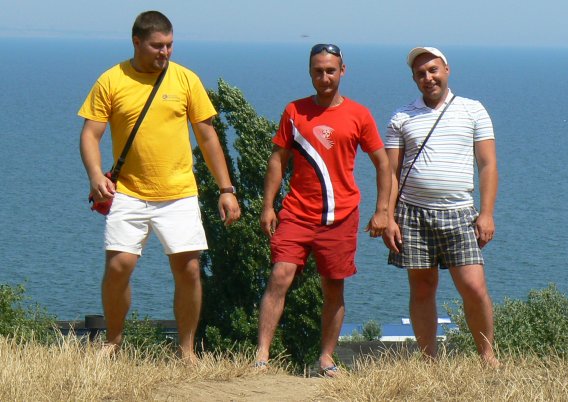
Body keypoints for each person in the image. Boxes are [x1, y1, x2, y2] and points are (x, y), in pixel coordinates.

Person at [78, 11, 240, 362]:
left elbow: (207, 137)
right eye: (157, 46)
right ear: (136, 42)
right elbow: (90, 134)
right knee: (118, 267)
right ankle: (113, 342)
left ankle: (186, 351)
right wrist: (95, 175)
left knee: (189, 270)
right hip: (128, 192)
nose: (164, 52)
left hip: (179, 193)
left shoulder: (186, 79)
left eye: (169, 45)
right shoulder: (111, 80)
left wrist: (226, 189)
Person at [255, 44, 391, 375]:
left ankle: (326, 358)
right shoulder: (294, 111)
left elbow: (383, 163)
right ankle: (261, 355)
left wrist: (383, 210)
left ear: (342, 71)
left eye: (331, 70)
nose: (325, 77)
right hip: (297, 213)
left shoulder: (359, 114)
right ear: (310, 72)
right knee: (280, 276)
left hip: (340, 216)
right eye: (318, 71)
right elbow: (278, 160)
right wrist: (268, 205)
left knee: (333, 286)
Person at [382, 47, 500, 366]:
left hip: (460, 212)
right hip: (412, 213)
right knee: (422, 289)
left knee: (474, 287)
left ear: (447, 70)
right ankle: (429, 362)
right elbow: (391, 173)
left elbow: (487, 165)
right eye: (420, 73)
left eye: (433, 70)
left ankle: (488, 357)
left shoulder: (473, 110)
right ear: (414, 79)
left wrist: (486, 213)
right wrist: (388, 217)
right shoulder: (401, 117)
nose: (428, 77)